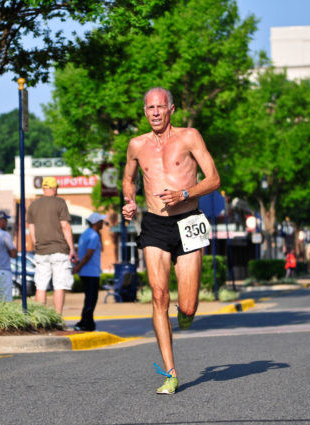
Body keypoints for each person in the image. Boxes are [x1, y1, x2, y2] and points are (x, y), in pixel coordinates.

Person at [122, 87, 220, 395]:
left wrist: (185, 193)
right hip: (155, 224)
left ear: (171, 109)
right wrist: (129, 200)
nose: (154, 112)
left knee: (187, 306)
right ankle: (170, 373)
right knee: (159, 295)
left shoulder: (190, 136)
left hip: (189, 220)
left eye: (159, 107)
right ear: (144, 111)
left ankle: (187, 312)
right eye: (149, 107)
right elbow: (128, 178)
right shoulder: (136, 144)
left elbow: (214, 178)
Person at [27, 176, 78, 314]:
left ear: (43, 188)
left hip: (41, 251)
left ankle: (40, 319)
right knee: (59, 285)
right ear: (55, 188)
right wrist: (72, 249)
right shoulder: (60, 203)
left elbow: (31, 229)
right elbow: (65, 226)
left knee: (41, 286)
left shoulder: (33, 205)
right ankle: (57, 318)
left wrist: (36, 244)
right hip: (59, 250)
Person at [73, 212, 107, 332]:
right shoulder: (94, 236)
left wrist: (78, 267)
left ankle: (89, 323)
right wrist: (79, 267)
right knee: (91, 299)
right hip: (91, 272)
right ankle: (84, 323)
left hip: (85, 273)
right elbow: (88, 255)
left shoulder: (85, 234)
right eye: (101, 221)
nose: (103, 223)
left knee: (89, 298)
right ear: (96, 223)